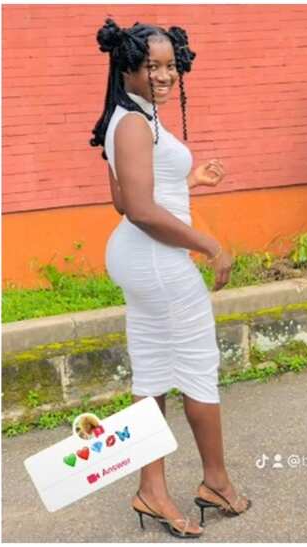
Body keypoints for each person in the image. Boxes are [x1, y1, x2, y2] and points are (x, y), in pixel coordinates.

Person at [90, 19, 250, 538]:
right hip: (158, 258)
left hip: (141, 258)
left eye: (170, 65)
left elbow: (128, 196)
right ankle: (216, 482)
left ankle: (152, 490)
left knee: (153, 375)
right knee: (199, 369)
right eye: (151, 65)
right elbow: (137, 208)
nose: (163, 75)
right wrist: (209, 244)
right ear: (127, 66)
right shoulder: (134, 123)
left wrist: (189, 180)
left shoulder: (125, 117)